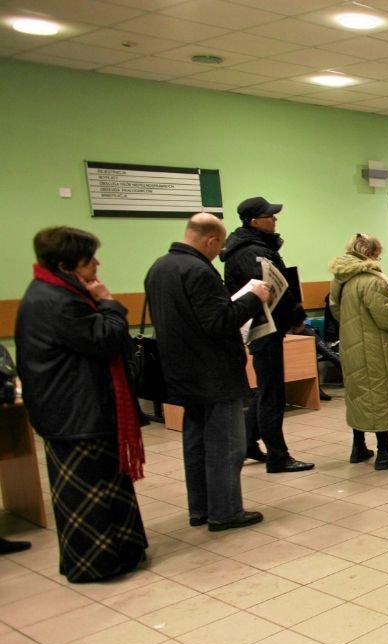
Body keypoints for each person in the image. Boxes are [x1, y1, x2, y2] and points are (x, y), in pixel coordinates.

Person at [15, 226, 148, 581]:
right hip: (74, 412)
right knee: (87, 492)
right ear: (66, 264)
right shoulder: (56, 300)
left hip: (79, 408)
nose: (98, 264)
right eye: (90, 260)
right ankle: (96, 563)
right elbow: (106, 338)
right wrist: (108, 303)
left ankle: (123, 551)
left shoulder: (55, 292)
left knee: (109, 483)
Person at [146, 214, 269, 532]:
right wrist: (253, 300)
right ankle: (226, 511)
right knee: (227, 445)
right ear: (211, 240)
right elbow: (218, 322)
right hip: (214, 373)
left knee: (196, 443)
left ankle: (200, 508)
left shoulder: (158, 268)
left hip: (181, 372)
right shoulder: (199, 271)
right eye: (219, 245)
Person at [220, 196, 313, 474]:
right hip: (263, 328)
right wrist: (293, 315)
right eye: (269, 216)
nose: (275, 220)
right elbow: (268, 290)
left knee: (266, 390)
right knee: (272, 393)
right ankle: (277, 456)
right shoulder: (251, 252)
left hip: (268, 327)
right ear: (254, 221)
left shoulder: (256, 246)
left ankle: (249, 442)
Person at [328, 233, 388, 469]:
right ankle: (384, 452)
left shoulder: (341, 279)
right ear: (370, 253)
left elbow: (338, 313)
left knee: (359, 395)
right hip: (377, 348)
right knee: (381, 396)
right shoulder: (372, 281)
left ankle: (358, 446)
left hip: (352, 345)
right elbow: (387, 319)